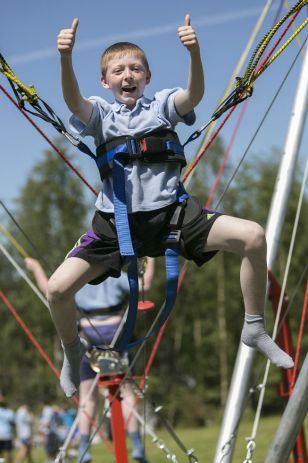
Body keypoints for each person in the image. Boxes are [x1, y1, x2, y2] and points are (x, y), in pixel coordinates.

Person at [49, 13, 293, 402]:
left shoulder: (161, 106)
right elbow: (72, 100)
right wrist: (65, 58)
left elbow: (193, 96)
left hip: (172, 217)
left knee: (253, 236)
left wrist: (194, 53)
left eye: (135, 69)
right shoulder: (100, 113)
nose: (127, 75)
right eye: (118, 70)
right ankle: (71, 350)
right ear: (105, 81)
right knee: (57, 289)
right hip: (117, 226)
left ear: (146, 76)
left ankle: (254, 326)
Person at [26, 257, 154, 463]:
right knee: (127, 392)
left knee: (88, 396)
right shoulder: (115, 275)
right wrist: (152, 257)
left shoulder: (79, 278)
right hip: (116, 331)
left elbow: (49, 288)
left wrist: (35, 267)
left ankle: (84, 447)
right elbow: (144, 284)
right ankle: (137, 444)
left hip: (88, 332)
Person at [0, 396, 15, 463]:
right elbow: (13, 423)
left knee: (2, 453)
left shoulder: (10, 412)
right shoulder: (10, 412)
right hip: (7, 435)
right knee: (8, 452)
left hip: (5, 435)